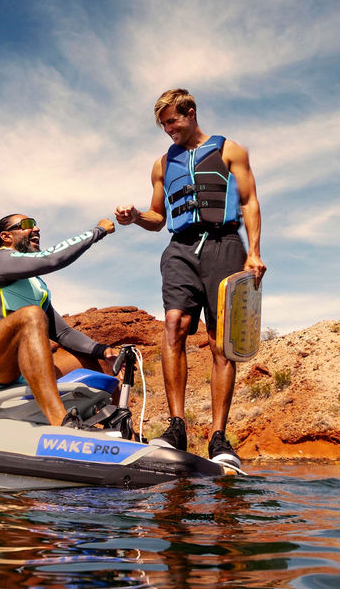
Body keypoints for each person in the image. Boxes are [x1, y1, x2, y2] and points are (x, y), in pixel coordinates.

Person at [115, 88, 265, 469]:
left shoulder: (230, 151)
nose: (168, 130)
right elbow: (157, 218)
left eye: (172, 121)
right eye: (163, 125)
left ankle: (218, 437)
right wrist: (135, 216)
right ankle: (177, 426)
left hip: (224, 244)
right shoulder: (163, 164)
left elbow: (248, 201)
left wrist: (254, 252)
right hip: (180, 248)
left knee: (220, 341)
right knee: (174, 325)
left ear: (190, 113)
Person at [0, 213, 118, 428]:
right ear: (6, 236)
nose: (35, 229)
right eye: (26, 225)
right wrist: (97, 231)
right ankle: (60, 423)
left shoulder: (37, 285)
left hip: (14, 369)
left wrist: (103, 351)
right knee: (31, 315)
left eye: (37, 226)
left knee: (99, 361)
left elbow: (62, 333)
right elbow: (51, 258)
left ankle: (120, 432)